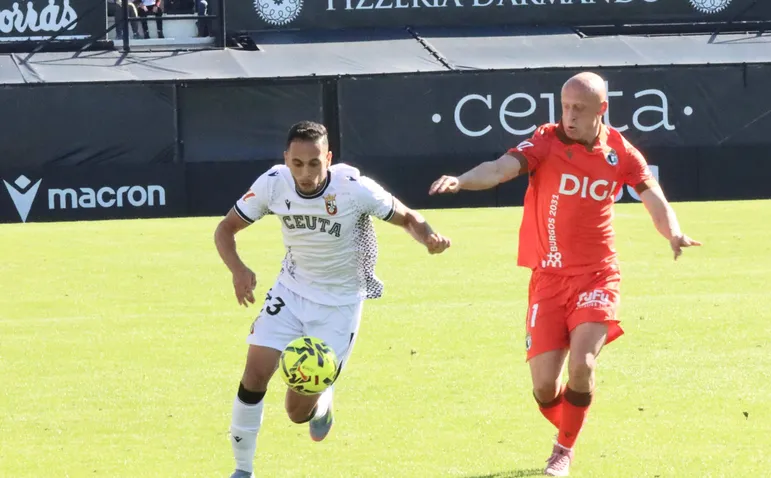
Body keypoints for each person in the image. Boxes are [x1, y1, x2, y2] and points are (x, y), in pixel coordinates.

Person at [429, 72, 701, 476]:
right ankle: (573, 426)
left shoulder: (621, 153)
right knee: (544, 387)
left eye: (579, 109)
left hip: (597, 275)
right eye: (565, 107)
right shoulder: (546, 140)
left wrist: (673, 232)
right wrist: (462, 181)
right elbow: (500, 169)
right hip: (548, 279)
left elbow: (653, 198)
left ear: (601, 109)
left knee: (582, 364)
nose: (569, 116)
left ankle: (563, 450)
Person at [215, 120, 451, 478]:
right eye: (297, 163)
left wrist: (429, 238)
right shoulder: (273, 183)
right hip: (290, 292)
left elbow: (408, 218)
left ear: (328, 159)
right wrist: (238, 269)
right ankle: (242, 470)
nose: (305, 173)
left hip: (339, 306)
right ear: (286, 158)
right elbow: (225, 229)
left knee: (296, 412)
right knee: (255, 373)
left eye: (314, 163)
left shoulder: (353, 189)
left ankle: (322, 401)